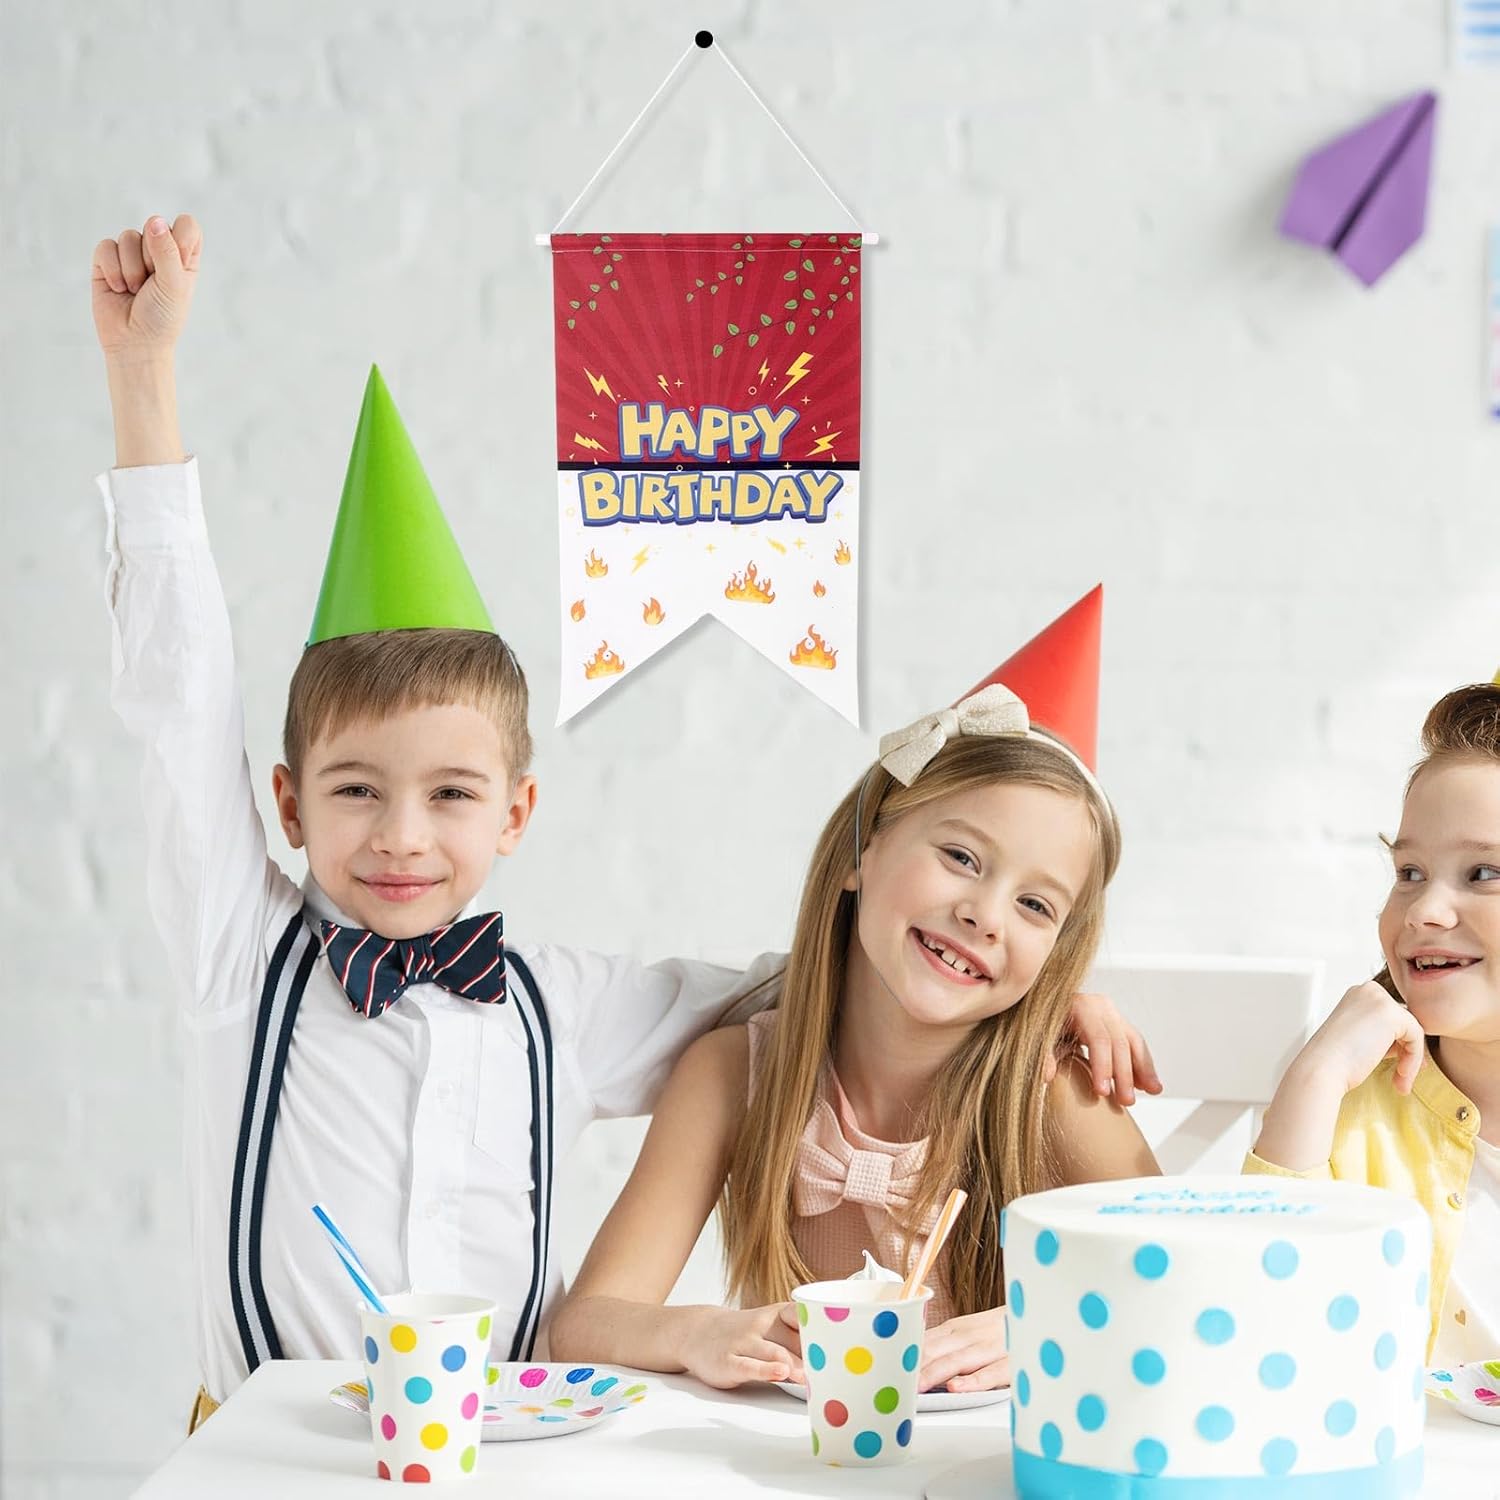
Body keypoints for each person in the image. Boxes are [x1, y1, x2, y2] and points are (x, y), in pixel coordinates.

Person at [91, 218, 1158, 1422]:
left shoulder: (560, 1007)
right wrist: (143, 378)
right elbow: (178, 704)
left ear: (517, 811)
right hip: (269, 1461)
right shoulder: (239, 953)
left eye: (451, 794)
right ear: (286, 803)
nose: (402, 836)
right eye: (355, 790)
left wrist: (1035, 983)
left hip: (504, 1462)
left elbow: (835, 983)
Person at [551, 590, 1161, 1394]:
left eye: (1035, 905)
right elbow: (585, 1325)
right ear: (860, 854)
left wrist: (1046, 1327)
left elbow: (1189, 1280)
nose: (984, 915)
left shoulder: (1049, 1090)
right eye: (962, 858)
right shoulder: (734, 1075)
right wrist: (700, 1330)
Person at [1250, 682, 1500, 1364]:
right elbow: (1258, 1324)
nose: (1424, 911)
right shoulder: (1343, 1106)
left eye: (1482, 872)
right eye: (1409, 871)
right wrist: (1314, 1077)